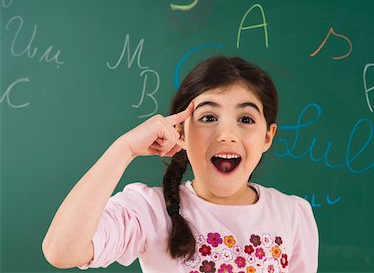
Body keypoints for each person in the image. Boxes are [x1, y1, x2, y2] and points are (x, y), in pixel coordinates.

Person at [42, 55, 319, 272]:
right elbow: (61, 251)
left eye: (246, 119)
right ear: (181, 131)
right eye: (208, 117)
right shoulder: (149, 211)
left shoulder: (293, 215)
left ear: (267, 137)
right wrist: (123, 149)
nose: (226, 135)